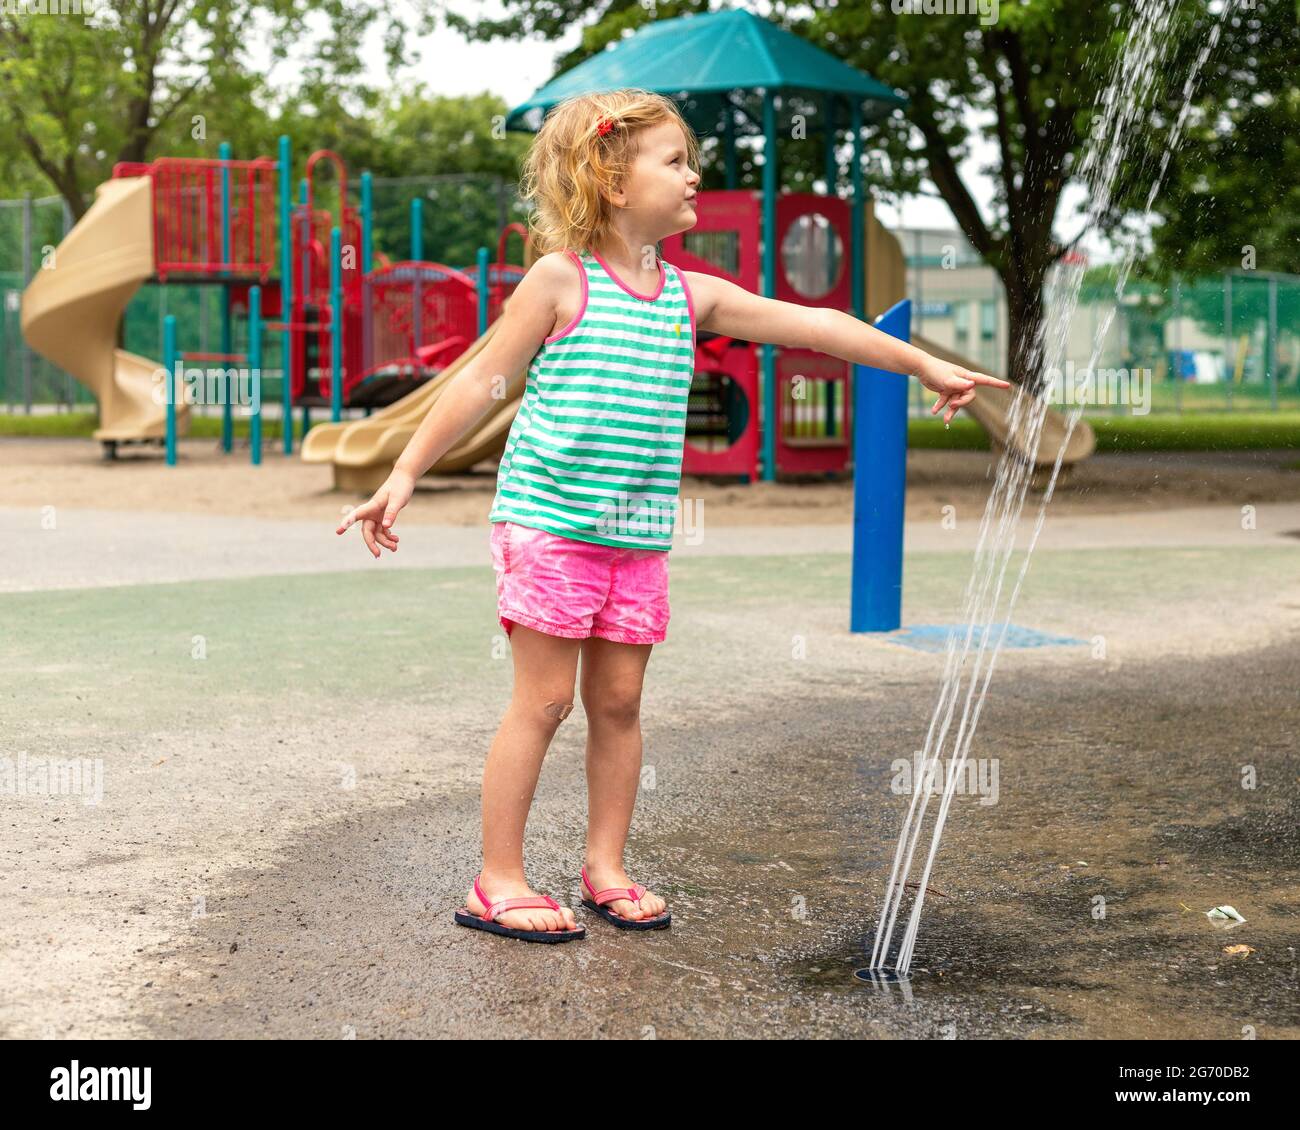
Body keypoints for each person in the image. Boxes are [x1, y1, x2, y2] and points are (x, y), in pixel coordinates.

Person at [337, 88, 1010, 944]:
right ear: (613, 182)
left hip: (635, 539)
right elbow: (478, 380)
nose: (696, 176)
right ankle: (495, 879)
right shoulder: (560, 279)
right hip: (548, 523)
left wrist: (925, 366)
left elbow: (818, 324)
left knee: (618, 703)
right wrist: (403, 474)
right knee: (544, 703)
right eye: (675, 161)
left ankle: (604, 867)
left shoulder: (693, 297)